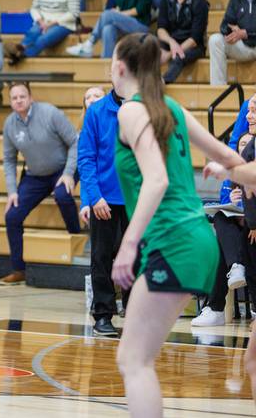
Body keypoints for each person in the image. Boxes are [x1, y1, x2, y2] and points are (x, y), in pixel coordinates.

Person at [110, 33, 244, 418]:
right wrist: (226, 170)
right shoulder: (172, 107)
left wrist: (128, 243)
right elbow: (230, 156)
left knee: (134, 360)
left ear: (120, 67)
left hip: (174, 240)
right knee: (136, 356)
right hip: (199, 238)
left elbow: (156, 180)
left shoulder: (131, 111)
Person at [2, 82, 81, 285]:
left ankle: (77, 238)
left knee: (63, 196)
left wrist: (69, 173)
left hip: (61, 171)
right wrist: (12, 191)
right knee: (12, 215)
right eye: (14, 98)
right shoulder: (10, 124)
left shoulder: (50, 113)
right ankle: (19, 269)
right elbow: (9, 159)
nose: (18, 100)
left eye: (22, 96)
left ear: (30, 97)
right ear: (10, 102)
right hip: (34, 177)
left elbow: (74, 142)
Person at [78, 83, 129, 336]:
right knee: (101, 257)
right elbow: (86, 157)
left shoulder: (145, 108)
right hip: (104, 200)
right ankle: (102, 314)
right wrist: (94, 197)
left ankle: (134, 313)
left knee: (137, 257)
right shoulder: (96, 112)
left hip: (136, 199)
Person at [192, 129, 252, 327]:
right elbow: (226, 204)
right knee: (220, 217)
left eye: (248, 145)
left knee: (221, 246)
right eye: (241, 145)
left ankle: (215, 306)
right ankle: (235, 268)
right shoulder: (233, 177)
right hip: (238, 228)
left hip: (251, 227)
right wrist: (237, 200)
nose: (244, 149)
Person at [156, 0, 210, 84]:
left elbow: (195, 39)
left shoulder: (199, 2)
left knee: (178, 57)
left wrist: (170, 54)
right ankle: (142, 83)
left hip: (193, 46)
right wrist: (172, 43)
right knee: (149, 48)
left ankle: (163, 83)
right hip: (172, 41)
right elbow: (161, 29)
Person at [208, 0, 256, 86]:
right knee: (215, 40)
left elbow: (245, 32)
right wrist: (229, 31)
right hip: (242, 47)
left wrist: (246, 33)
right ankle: (219, 90)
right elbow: (225, 24)